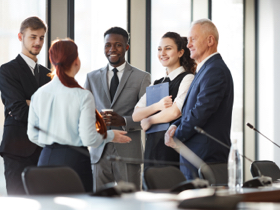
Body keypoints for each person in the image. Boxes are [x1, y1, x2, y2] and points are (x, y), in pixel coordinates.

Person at [27, 38, 131, 193]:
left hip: (46, 159)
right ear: (76, 61)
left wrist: (54, 145)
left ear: (52, 61)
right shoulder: (82, 95)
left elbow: (32, 135)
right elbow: (89, 139)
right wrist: (110, 135)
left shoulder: (39, 93)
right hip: (73, 162)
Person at [165, 19, 234, 180]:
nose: (188, 45)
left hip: (205, 159)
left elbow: (201, 112)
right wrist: (174, 126)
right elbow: (191, 109)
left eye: (192, 39)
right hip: (195, 157)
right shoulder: (205, 69)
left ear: (210, 40)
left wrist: (177, 135)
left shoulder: (215, 70)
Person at [84, 27, 151, 191]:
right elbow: (85, 113)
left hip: (128, 152)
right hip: (100, 151)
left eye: (118, 45)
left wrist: (124, 121)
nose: (112, 49)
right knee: (98, 202)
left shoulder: (142, 77)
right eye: (108, 45)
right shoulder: (91, 78)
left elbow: (148, 115)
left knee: (131, 202)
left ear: (126, 47)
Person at [0, 16, 51, 195]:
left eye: (42, 37)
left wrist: (30, 101)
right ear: (21, 37)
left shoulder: (48, 74)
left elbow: (56, 111)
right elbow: (19, 109)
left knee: (44, 204)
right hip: (17, 151)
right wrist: (41, 105)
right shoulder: (6, 71)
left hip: (45, 150)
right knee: (18, 203)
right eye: (33, 37)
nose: (38, 42)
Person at [132, 32, 196, 170]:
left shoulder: (187, 78)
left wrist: (149, 120)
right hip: (152, 149)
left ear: (180, 52)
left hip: (171, 147)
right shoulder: (156, 83)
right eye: (160, 49)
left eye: (168, 48)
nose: (162, 53)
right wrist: (157, 106)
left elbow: (175, 112)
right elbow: (136, 115)